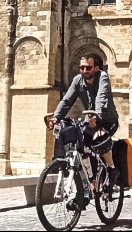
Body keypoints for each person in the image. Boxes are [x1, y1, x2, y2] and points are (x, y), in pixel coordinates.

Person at [52, 54, 121, 188]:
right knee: (80, 145)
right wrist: (56, 117)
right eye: (81, 68)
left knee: (100, 139)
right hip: (90, 120)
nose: (84, 71)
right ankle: (91, 180)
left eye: (88, 68)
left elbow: (102, 97)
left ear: (96, 68)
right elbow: (67, 100)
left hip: (107, 121)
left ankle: (112, 169)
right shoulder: (78, 80)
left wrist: (97, 115)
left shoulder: (103, 77)